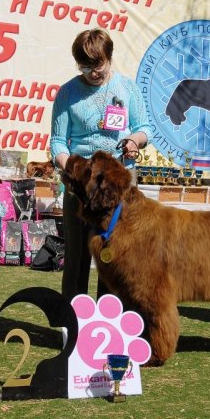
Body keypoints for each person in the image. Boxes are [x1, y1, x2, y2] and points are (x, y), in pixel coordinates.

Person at [50, 28, 152, 300]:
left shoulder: (128, 88)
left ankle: (113, 321)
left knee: (117, 256)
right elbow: (57, 142)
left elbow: (144, 128)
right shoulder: (67, 93)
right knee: (76, 257)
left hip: (118, 184)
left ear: (109, 58)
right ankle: (72, 322)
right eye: (85, 67)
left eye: (98, 65)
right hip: (81, 188)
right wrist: (73, 170)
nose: (93, 73)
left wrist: (134, 140)